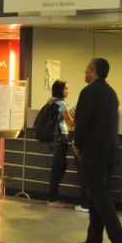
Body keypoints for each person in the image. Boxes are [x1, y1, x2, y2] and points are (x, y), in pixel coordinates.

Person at [72, 57, 122, 243]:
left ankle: (119, 239)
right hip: (109, 150)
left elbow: (82, 122)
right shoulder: (111, 93)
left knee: (100, 196)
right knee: (96, 194)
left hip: (94, 151)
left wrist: (77, 143)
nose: (84, 71)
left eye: (87, 68)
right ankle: (94, 239)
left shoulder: (88, 93)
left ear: (94, 71)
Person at [46, 80, 82, 209]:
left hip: (55, 139)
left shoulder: (51, 101)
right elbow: (71, 123)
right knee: (58, 168)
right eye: (66, 88)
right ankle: (52, 199)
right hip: (61, 138)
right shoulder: (61, 104)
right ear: (60, 90)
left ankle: (53, 198)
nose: (68, 91)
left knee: (59, 167)